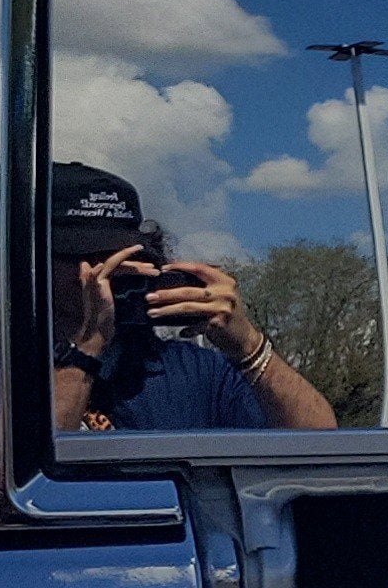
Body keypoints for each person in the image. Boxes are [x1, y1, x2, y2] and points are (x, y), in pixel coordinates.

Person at [46, 162, 338, 431]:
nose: (106, 274)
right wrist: (85, 351)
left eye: (124, 257)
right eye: (84, 256)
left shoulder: (195, 373)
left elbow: (319, 443)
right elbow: (33, 462)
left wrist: (249, 346)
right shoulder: (23, 370)